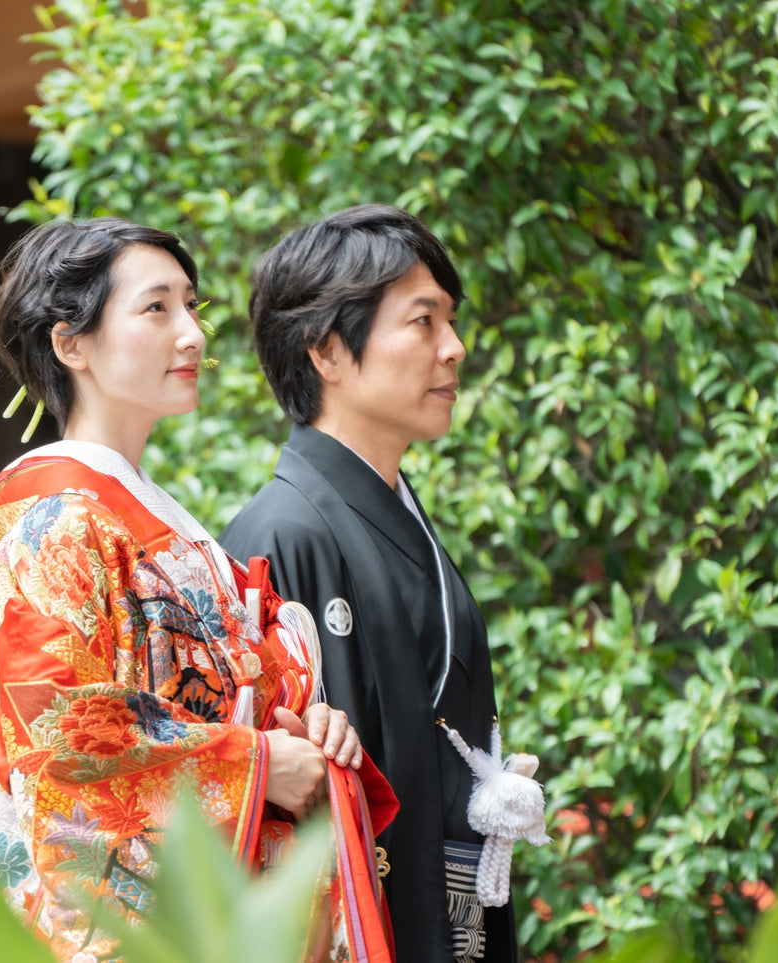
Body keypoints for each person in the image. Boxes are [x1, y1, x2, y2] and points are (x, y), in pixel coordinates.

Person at [0, 218, 397, 963]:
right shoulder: (67, 522)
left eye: (192, 305)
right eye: (156, 308)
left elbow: (248, 700)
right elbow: (61, 735)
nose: (193, 334)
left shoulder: (159, 522)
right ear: (69, 343)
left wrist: (314, 729)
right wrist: (257, 761)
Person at [221, 205, 520, 963]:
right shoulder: (280, 533)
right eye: (422, 323)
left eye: (450, 322)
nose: (453, 350)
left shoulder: (398, 513)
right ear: (325, 349)